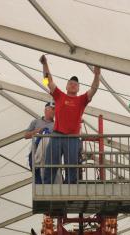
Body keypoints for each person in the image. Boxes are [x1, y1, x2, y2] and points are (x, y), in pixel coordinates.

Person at [40, 54, 101, 184]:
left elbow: (94, 89)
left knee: (72, 167)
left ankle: (70, 190)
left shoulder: (81, 100)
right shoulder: (59, 96)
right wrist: (44, 65)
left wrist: (97, 75)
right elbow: (47, 81)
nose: (73, 85)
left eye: (75, 84)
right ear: (66, 86)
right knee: (51, 164)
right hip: (57, 135)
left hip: (73, 138)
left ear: (78, 88)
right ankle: (47, 188)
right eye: (71, 83)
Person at [25, 102, 55, 183]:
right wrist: (37, 131)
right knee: (34, 165)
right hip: (36, 149)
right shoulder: (35, 122)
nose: (54, 112)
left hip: (49, 151)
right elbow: (26, 135)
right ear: (46, 110)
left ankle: (47, 183)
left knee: (49, 169)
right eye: (52, 109)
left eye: (55, 110)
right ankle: (39, 183)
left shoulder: (56, 125)